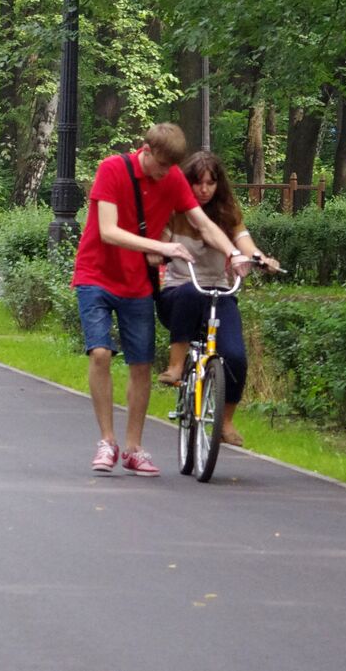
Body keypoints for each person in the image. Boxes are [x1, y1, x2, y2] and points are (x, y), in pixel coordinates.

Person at [71, 123, 252, 476]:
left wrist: (233, 253)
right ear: (146, 150)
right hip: (95, 275)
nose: (165, 174)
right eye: (161, 165)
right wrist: (163, 247)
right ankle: (107, 441)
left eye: (172, 168)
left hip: (137, 282)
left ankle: (134, 448)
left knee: (140, 365)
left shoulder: (170, 179)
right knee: (101, 352)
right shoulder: (111, 169)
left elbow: (203, 224)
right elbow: (108, 231)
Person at [154, 151, 280, 447]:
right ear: (187, 183)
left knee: (235, 356)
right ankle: (175, 365)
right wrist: (160, 252)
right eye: (198, 183)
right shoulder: (174, 211)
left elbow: (245, 244)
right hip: (180, 292)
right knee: (187, 292)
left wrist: (261, 259)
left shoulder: (228, 213)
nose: (205, 189)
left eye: (211, 183)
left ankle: (225, 421)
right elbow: (159, 244)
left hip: (218, 292)